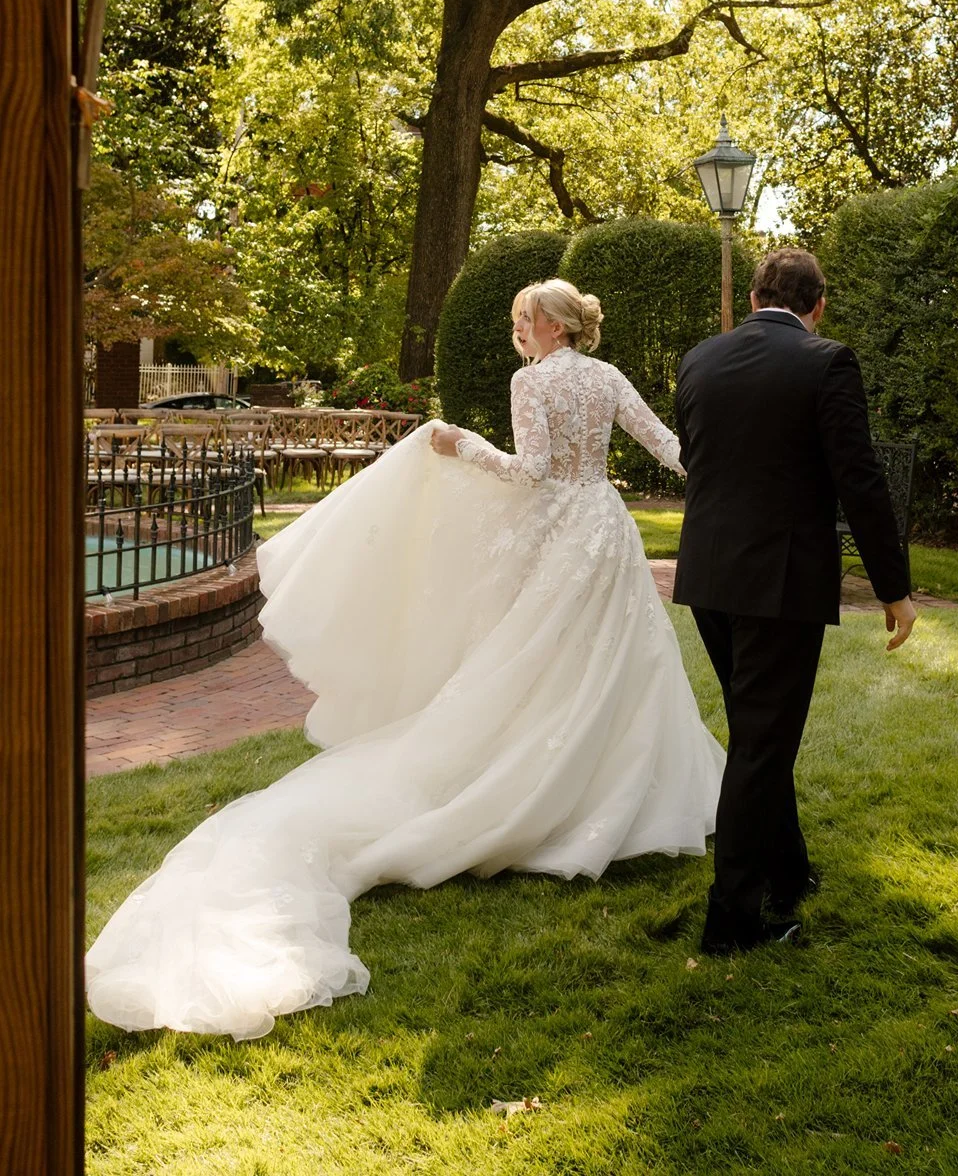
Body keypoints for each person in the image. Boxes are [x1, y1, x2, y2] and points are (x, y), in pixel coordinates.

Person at [86, 280, 724, 1040]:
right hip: (608, 529)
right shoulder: (609, 376)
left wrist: (461, 445)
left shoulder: (534, 381)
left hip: (562, 536)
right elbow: (666, 443)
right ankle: (624, 793)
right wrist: (727, 482)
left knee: (543, 664)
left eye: (522, 320)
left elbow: (530, 471)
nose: (516, 331)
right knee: (619, 658)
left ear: (549, 326)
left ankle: (553, 794)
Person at [674, 246, 917, 954]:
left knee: (758, 736)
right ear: (820, 304)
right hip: (778, 582)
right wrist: (892, 588)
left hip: (708, 578)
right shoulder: (827, 362)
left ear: (754, 299)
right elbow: (859, 480)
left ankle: (791, 868)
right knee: (762, 744)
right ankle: (733, 921)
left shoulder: (699, 360)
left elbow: (697, 459)